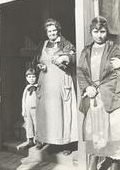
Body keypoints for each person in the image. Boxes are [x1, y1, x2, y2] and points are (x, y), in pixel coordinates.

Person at [78, 16, 120, 170]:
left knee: (115, 133)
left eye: (103, 31)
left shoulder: (114, 48)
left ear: (107, 32)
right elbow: (81, 72)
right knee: (95, 133)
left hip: (112, 97)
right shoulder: (86, 51)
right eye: (95, 31)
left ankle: (115, 166)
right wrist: (87, 88)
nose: (99, 35)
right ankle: (92, 167)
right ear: (91, 32)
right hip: (94, 98)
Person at [33, 18, 78, 155]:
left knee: (63, 112)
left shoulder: (65, 43)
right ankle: (50, 141)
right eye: (49, 31)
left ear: (58, 31)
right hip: (46, 84)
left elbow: (75, 57)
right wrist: (39, 65)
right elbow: (36, 60)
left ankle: (67, 144)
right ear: (46, 33)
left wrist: (66, 58)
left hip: (60, 84)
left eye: (54, 30)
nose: (52, 33)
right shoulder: (43, 44)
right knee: (48, 114)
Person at [22, 68, 37, 149]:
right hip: (27, 110)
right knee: (29, 125)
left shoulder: (37, 87)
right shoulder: (27, 88)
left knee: (37, 124)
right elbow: (23, 100)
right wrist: (23, 110)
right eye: (30, 77)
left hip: (35, 109)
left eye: (33, 77)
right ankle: (30, 140)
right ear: (26, 78)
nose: (32, 79)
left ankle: (38, 140)